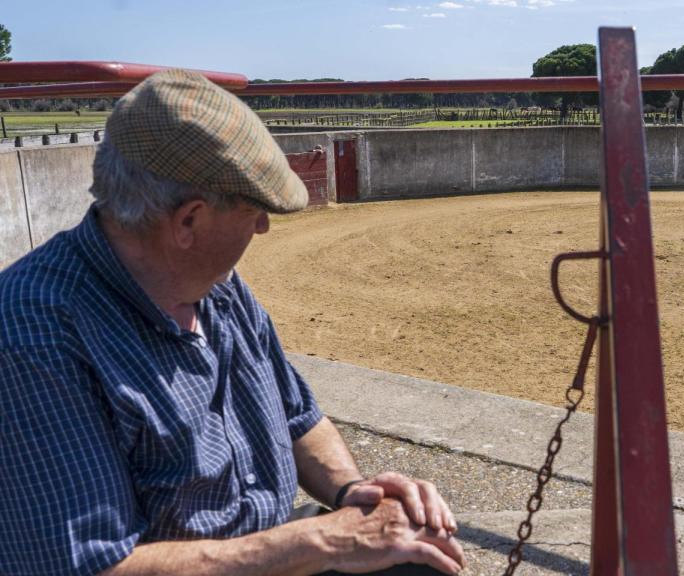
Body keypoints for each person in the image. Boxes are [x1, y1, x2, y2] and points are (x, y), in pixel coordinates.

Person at [0, 70, 464, 576]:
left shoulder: (216, 283)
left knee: (419, 556)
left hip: (263, 548)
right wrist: (321, 540)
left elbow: (298, 417)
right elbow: (89, 567)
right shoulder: (35, 330)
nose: (263, 226)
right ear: (189, 221)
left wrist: (356, 494)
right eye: (253, 210)